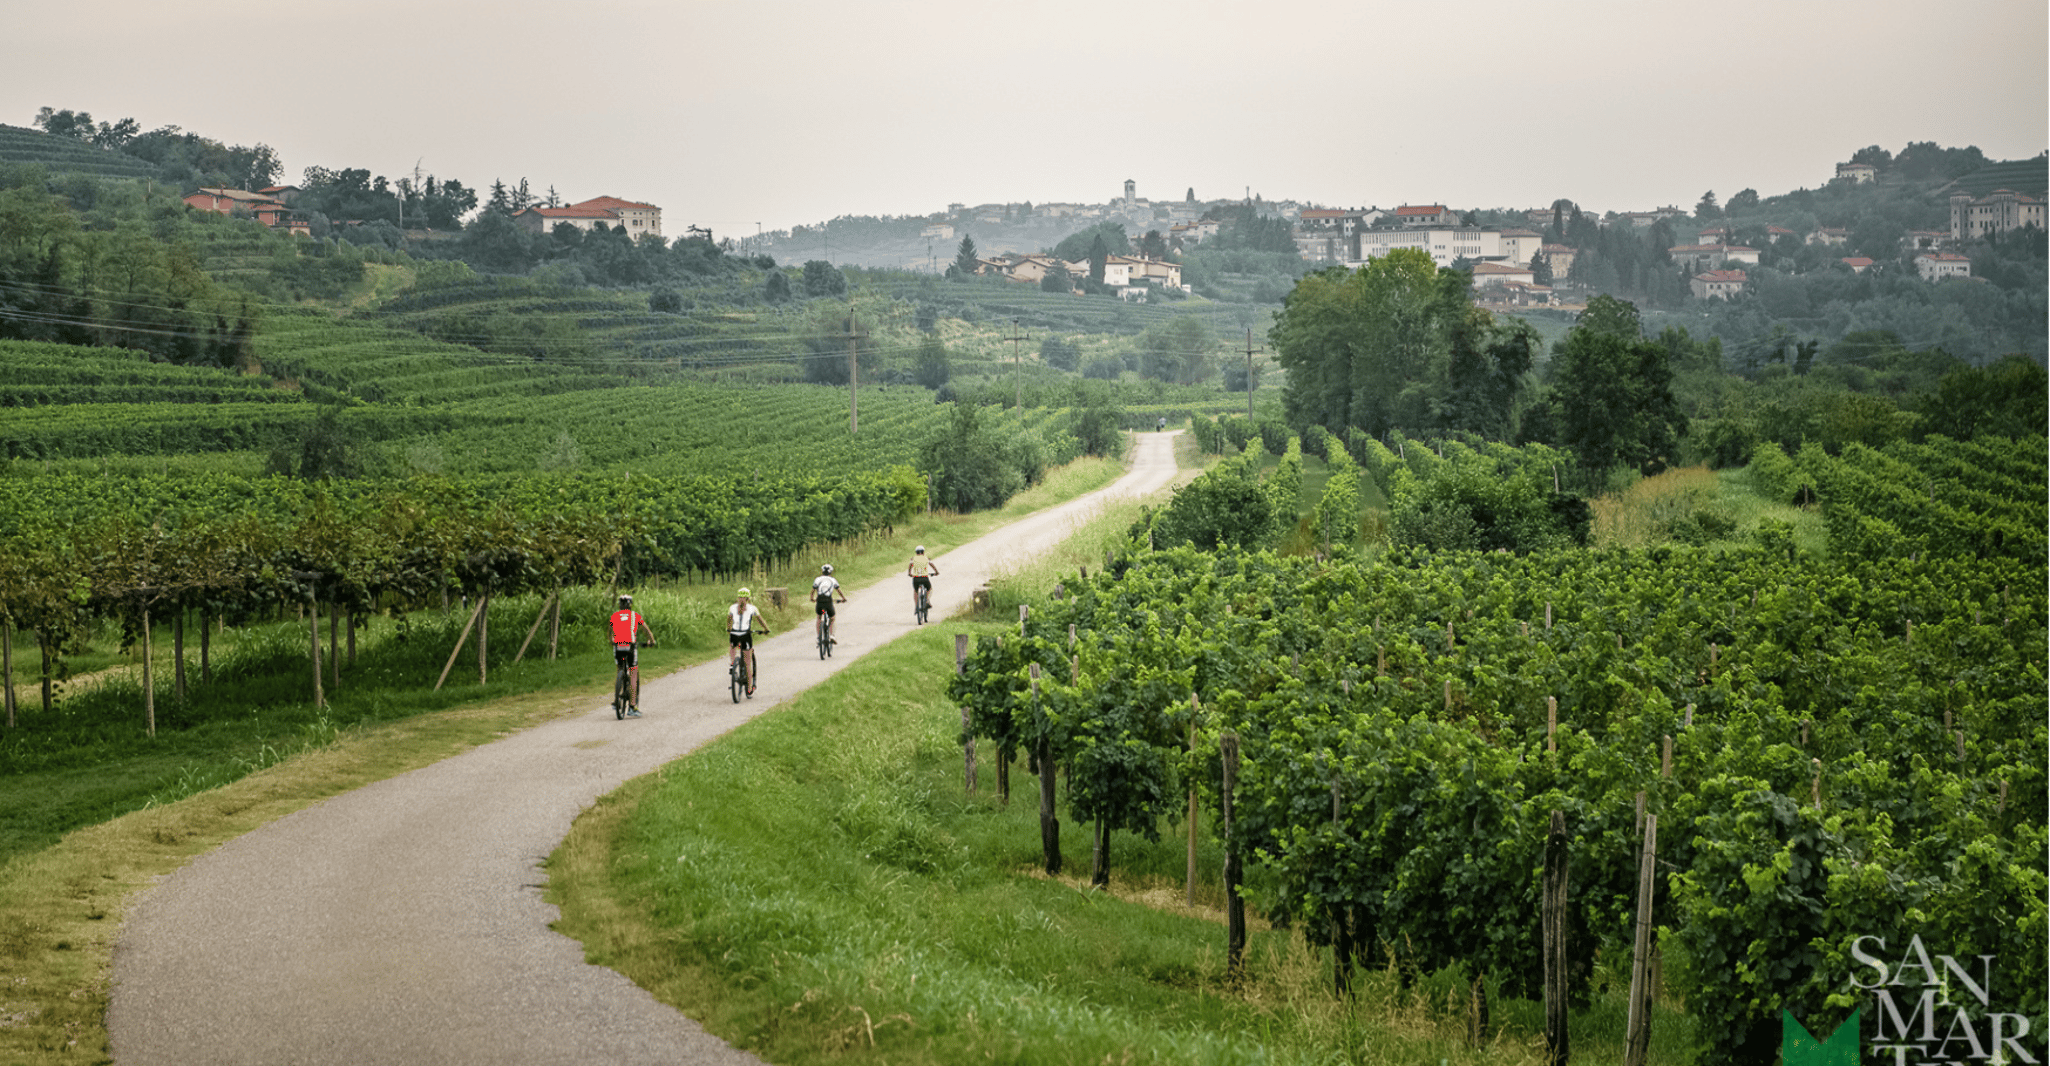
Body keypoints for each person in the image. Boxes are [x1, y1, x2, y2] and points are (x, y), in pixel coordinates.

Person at [609, 594, 657, 717]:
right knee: (633, 673)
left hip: (618, 647)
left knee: (620, 669)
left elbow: (610, 631)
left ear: (619, 605)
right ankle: (632, 707)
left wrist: (611, 641)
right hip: (630, 646)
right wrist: (651, 641)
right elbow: (645, 629)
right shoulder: (634, 616)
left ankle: (616, 699)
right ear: (630, 604)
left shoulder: (614, 616)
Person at [727, 587, 768, 696]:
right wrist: (766, 629)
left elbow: (729, 620)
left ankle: (732, 663)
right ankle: (749, 689)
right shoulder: (752, 608)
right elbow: (760, 620)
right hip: (745, 635)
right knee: (747, 662)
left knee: (732, 646)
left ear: (738, 597)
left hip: (734, 634)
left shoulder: (732, 607)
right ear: (748, 598)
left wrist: (729, 629)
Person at [812, 564, 847, 644]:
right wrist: (843, 598)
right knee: (832, 618)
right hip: (828, 602)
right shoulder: (833, 580)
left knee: (819, 617)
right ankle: (832, 635)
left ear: (822, 571)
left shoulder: (818, 579)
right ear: (831, 572)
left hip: (820, 601)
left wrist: (812, 598)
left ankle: (818, 638)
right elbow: (839, 590)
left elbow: (813, 591)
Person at [907, 545, 938, 620]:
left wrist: (909, 573)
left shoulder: (913, 559)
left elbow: (910, 565)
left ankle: (916, 607)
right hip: (924, 578)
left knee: (915, 591)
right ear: (923, 552)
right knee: (929, 588)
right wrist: (936, 572)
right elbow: (931, 564)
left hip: (916, 578)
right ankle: (927, 600)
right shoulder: (926, 558)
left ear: (916, 552)